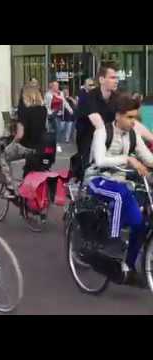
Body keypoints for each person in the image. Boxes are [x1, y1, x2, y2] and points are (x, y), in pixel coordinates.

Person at [84, 93, 153, 285]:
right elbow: (100, 160)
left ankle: (127, 267)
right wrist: (128, 159)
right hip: (97, 180)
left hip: (120, 183)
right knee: (121, 194)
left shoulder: (133, 136)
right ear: (118, 115)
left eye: (135, 117)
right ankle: (112, 243)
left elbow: (148, 159)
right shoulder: (102, 132)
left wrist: (141, 162)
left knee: (141, 224)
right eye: (130, 117)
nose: (134, 121)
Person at [0, 86, 47, 198]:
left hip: (25, 147)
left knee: (4, 157)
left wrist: (12, 143)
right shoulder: (43, 110)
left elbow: (20, 135)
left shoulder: (24, 111)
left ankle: (10, 188)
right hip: (39, 147)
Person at [45, 81, 73, 152]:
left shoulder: (60, 93)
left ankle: (52, 145)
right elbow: (46, 105)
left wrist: (70, 109)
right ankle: (54, 145)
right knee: (56, 129)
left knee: (57, 129)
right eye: (55, 86)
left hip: (59, 114)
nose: (57, 87)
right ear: (52, 86)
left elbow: (64, 102)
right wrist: (49, 112)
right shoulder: (48, 94)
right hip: (52, 114)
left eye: (57, 86)